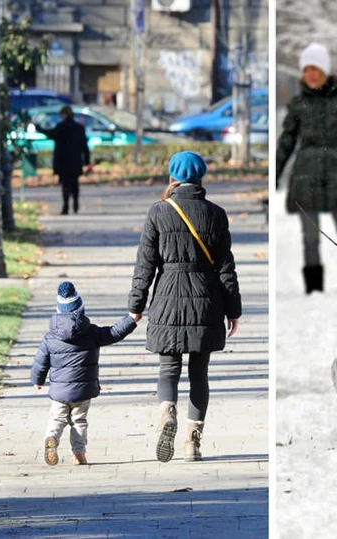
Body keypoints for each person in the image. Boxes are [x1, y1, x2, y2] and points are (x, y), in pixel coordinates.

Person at [128, 151, 241, 463]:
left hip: (167, 297)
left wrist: (136, 306)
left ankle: (167, 414)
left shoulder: (158, 212)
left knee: (168, 369)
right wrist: (234, 310)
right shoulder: (216, 214)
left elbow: (145, 266)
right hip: (206, 301)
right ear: (201, 176)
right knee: (199, 373)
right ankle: (192, 442)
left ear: (172, 177)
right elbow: (226, 269)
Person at [276, 43, 337, 293]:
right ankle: (314, 291)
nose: (310, 74)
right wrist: (275, 173)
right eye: (306, 69)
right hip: (305, 176)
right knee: (309, 237)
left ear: (325, 71)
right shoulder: (298, 104)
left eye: (315, 68)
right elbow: (286, 141)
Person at [31, 281, 138, 465]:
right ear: (81, 310)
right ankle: (79, 454)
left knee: (57, 418)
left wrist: (37, 380)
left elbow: (41, 361)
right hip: (83, 391)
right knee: (79, 421)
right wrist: (131, 319)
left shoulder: (50, 338)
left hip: (59, 392)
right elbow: (114, 333)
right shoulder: (91, 333)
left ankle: (52, 438)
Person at [34, 106, 90, 215]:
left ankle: (66, 205)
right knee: (74, 183)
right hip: (75, 160)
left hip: (63, 161)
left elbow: (50, 134)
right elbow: (85, 146)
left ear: (63, 115)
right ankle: (75, 201)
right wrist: (87, 161)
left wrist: (37, 127)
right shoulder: (79, 128)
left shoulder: (61, 127)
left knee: (65, 184)